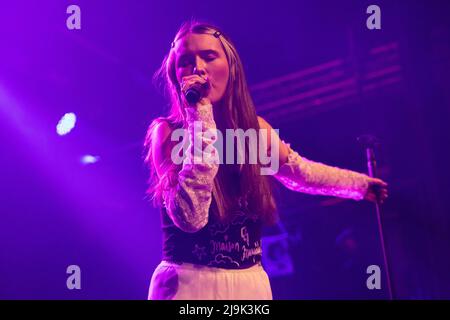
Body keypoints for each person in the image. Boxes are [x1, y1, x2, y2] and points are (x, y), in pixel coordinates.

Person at [143, 20, 388, 300]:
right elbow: (191, 218)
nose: (198, 67)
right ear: (176, 75)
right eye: (186, 61)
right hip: (188, 285)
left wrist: (359, 185)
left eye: (209, 56)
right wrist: (200, 116)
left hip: (249, 285)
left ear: (231, 66)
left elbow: (302, 173)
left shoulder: (255, 133)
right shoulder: (168, 133)